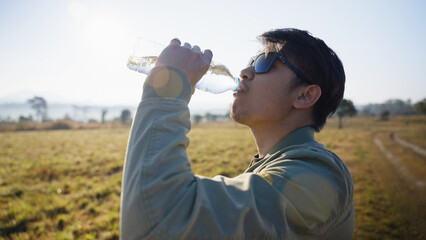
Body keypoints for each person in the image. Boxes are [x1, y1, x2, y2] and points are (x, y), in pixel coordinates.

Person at [120, 28, 355, 239]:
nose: (244, 71)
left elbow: (159, 222)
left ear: (304, 96)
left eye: (265, 61)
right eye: (251, 61)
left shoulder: (316, 175)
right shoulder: (273, 166)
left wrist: (170, 83)